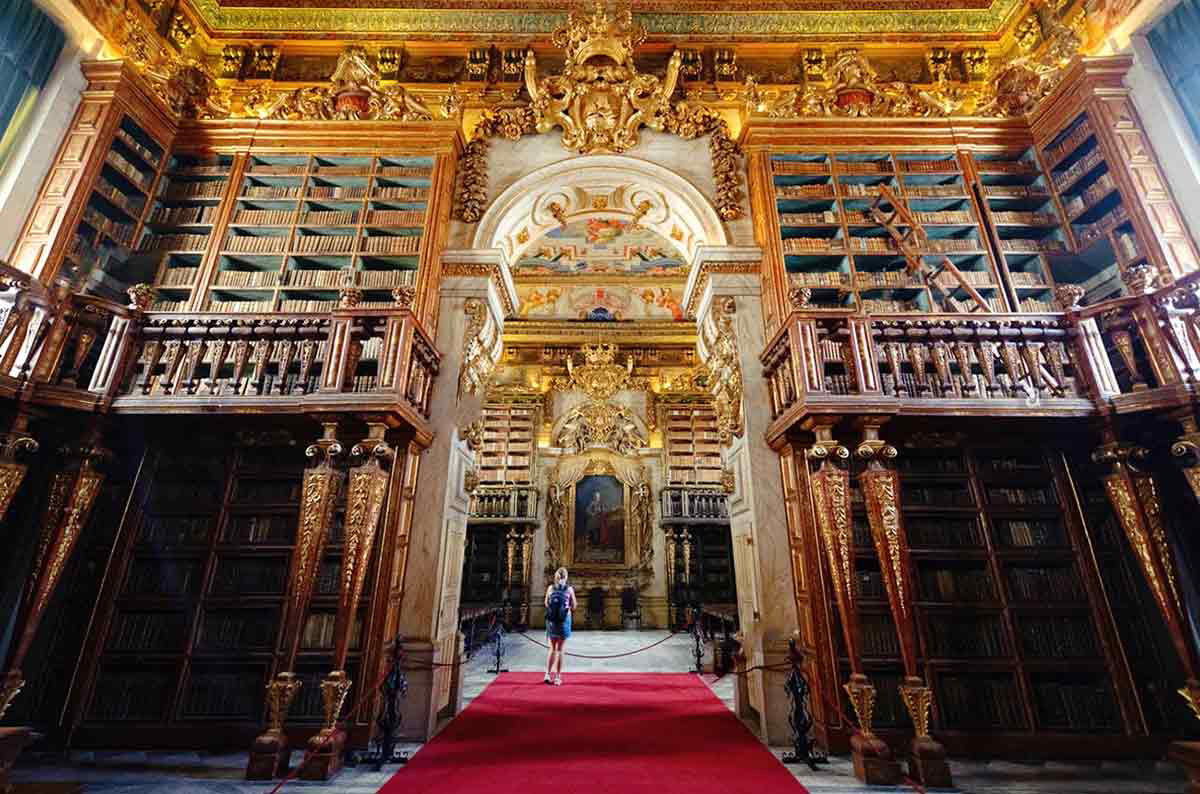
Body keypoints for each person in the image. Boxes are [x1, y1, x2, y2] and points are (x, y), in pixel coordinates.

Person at [543, 567, 577, 686]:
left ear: (556, 577)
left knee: (551, 648)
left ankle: (547, 674)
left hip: (552, 621)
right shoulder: (569, 589)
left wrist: (553, 610)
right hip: (564, 621)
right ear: (566, 577)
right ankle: (557, 677)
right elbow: (574, 606)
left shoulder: (550, 588)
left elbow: (546, 603)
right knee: (560, 649)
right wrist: (567, 610)